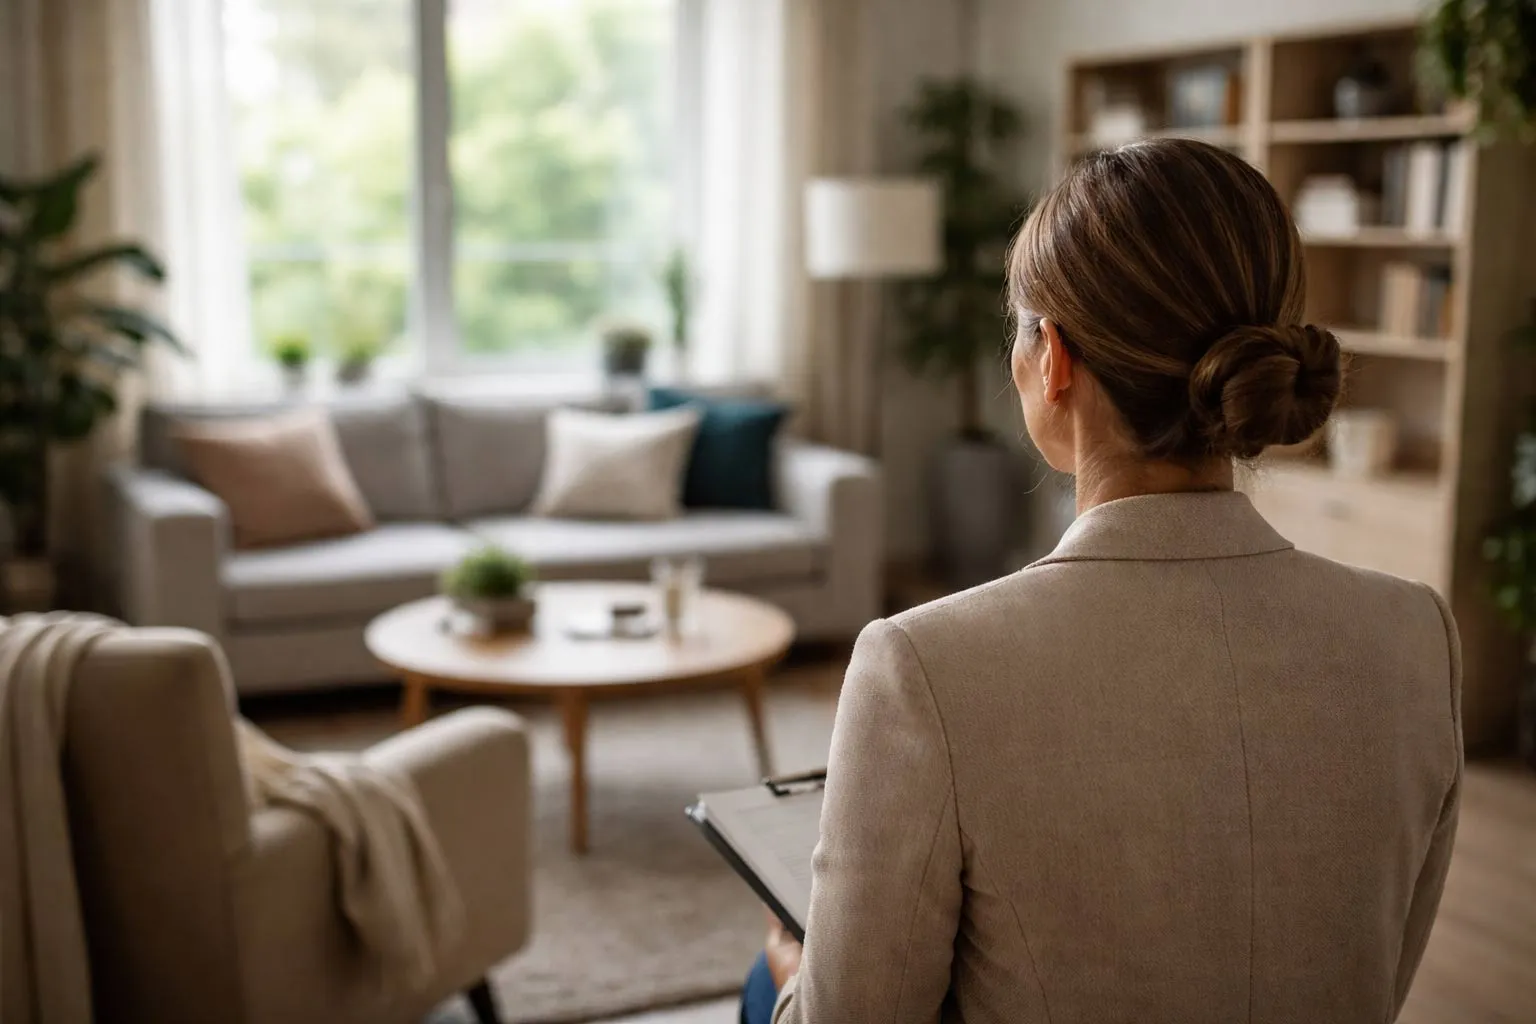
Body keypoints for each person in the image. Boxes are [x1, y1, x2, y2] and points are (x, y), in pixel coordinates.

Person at [741, 138, 1462, 1024]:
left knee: (767, 979)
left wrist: (785, 981)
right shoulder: (1416, 633)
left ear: (1054, 361)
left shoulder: (923, 665)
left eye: (1019, 328)